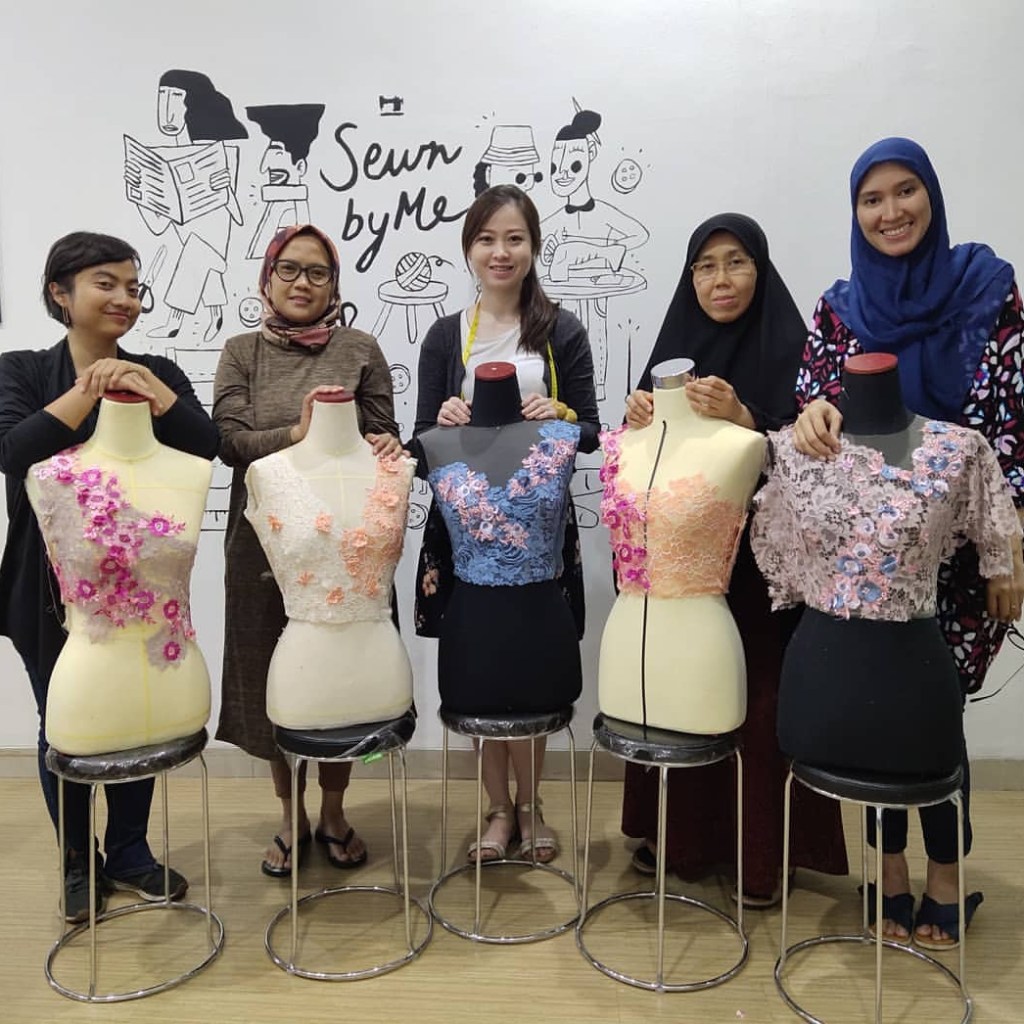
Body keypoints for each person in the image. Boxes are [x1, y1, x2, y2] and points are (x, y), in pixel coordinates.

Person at [792, 137, 1024, 947]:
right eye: (872, 198)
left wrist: (1004, 549)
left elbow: (1011, 422)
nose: (890, 211)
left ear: (931, 195)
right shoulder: (840, 311)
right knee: (877, 711)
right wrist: (812, 415)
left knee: (934, 716)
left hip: (959, 559)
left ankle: (946, 879)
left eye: (905, 191)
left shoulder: (987, 289)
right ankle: (889, 876)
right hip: (873, 558)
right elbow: (813, 407)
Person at [620, 213, 848, 904]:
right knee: (679, 688)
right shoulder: (672, 352)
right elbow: (639, 475)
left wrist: (748, 419)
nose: (720, 280)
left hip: (763, 572)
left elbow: (821, 458)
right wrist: (638, 420)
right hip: (685, 566)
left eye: (736, 262)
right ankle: (678, 839)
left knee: (758, 697)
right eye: (705, 266)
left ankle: (762, 856)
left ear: (761, 270)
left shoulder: (796, 350)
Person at [0, 231, 220, 922]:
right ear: (60, 293)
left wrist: (150, 390)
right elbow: (13, 451)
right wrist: (86, 390)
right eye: (106, 283)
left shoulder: (157, 370)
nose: (125, 298)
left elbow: (205, 446)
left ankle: (128, 851)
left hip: (142, 590)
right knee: (64, 724)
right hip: (47, 587)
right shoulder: (21, 370)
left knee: (138, 716)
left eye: (132, 286)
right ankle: (77, 861)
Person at [414, 184, 599, 862]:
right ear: (469, 248)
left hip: (537, 524)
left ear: (533, 247)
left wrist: (561, 414)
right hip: (467, 526)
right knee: (483, 670)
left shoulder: (561, 332)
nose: (501, 252)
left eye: (514, 238)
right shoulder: (445, 336)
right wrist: (443, 419)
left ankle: (532, 804)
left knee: (531, 669)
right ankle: (496, 808)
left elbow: (592, 431)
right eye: (487, 239)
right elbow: (418, 445)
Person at [214, 224, 401, 878]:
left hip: (348, 544)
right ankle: (289, 814)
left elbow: (384, 433)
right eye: (289, 269)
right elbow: (229, 442)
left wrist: (384, 443)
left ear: (334, 284)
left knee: (343, 677)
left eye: (317, 272)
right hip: (264, 544)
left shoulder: (360, 348)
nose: (302, 282)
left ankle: (334, 811)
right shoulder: (241, 352)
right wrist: (298, 432)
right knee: (271, 672)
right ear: (266, 280)